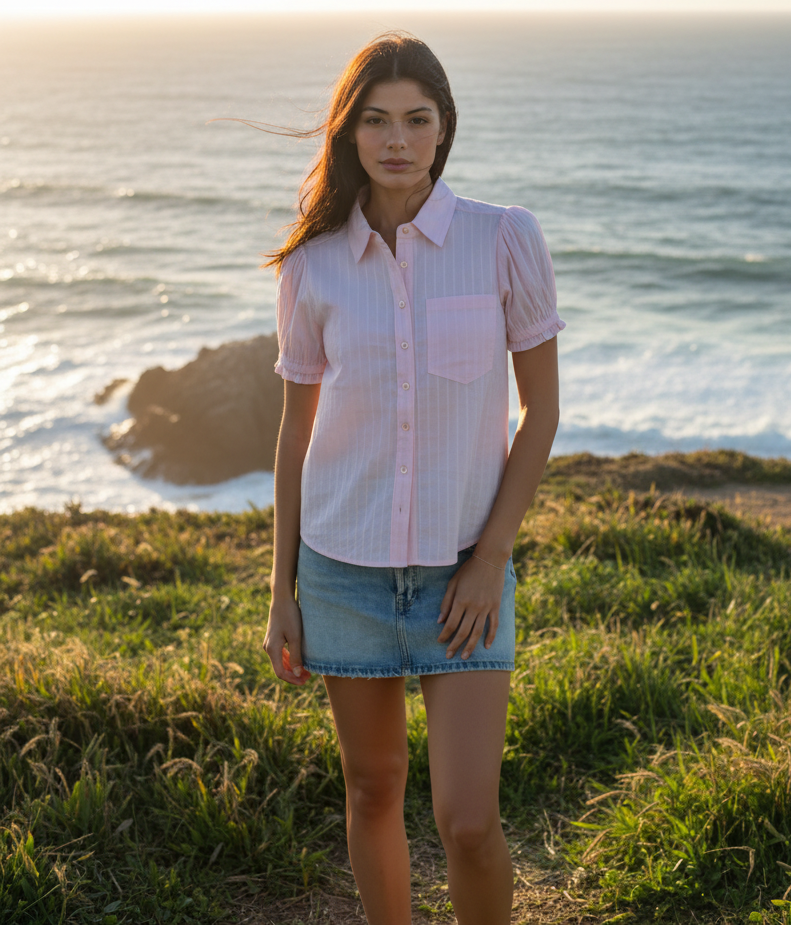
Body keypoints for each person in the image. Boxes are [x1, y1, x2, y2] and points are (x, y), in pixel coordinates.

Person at [262, 32, 563, 926]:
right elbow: (294, 431)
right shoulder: (312, 266)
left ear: (444, 131)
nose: (397, 139)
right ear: (349, 134)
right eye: (376, 120)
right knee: (371, 792)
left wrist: (490, 558)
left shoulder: (504, 239)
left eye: (417, 120)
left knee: (468, 822)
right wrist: (280, 589)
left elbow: (538, 413)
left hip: (462, 576)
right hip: (341, 573)